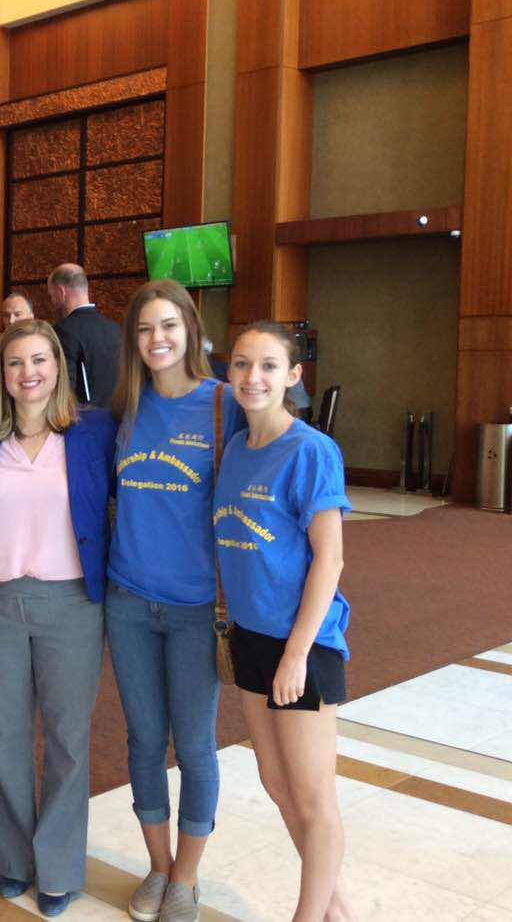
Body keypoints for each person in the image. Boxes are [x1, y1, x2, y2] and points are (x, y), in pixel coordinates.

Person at [0, 320, 116, 917]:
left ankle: (58, 866)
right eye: (16, 362)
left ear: (58, 366)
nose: (29, 373)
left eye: (39, 360)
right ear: (1, 374)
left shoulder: (94, 430)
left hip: (70, 603)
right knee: (7, 735)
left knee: (68, 740)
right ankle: (15, 860)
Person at [105, 279, 244, 922]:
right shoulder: (127, 408)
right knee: (142, 739)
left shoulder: (223, 405)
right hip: (129, 600)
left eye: (168, 326)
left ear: (190, 329)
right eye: (144, 329)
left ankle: (186, 876)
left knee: (193, 745)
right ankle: (158, 865)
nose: (156, 339)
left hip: (195, 608)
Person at [214, 321, 353, 922]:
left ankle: (309, 915)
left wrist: (297, 654)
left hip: (303, 644)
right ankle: (335, 911)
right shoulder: (234, 449)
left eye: (269, 366)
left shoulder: (310, 451)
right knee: (276, 782)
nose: (253, 377)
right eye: (242, 364)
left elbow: (331, 558)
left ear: (293, 376)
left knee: (313, 797)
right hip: (251, 637)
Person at [49, 264, 121, 406]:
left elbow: (65, 389)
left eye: (51, 295)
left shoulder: (62, 331)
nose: (51, 301)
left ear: (61, 291)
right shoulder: (115, 328)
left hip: (84, 417)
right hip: (122, 414)